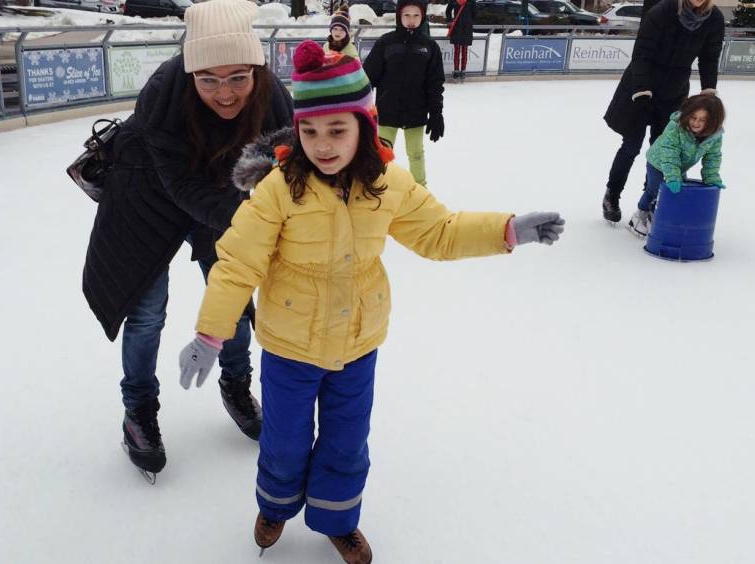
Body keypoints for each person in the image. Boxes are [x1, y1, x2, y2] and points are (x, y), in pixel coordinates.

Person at [176, 41, 565, 564]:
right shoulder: (277, 189)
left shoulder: (387, 184)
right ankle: (275, 505)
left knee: (346, 443)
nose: (323, 144)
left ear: (364, 124)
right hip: (290, 347)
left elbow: (441, 234)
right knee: (285, 441)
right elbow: (237, 264)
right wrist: (210, 334)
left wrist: (507, 231)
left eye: (337, 129)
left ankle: (338, 518)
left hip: (358, 344)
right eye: (310, 131)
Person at [81, 0, 294, 482]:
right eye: (209, 79)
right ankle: (138, 410)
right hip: (147, 196)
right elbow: (181, 187)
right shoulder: (163, 92)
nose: (225, 93)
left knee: (235, 298)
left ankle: (237, 385)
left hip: (224, 192)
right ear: (190, 70)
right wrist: (253, 220)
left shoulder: (274, 96)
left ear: (256, 68)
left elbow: (288, 161)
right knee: (145, 310)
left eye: (238, 77)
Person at [601, 0, 724, 224]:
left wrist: (709, 95)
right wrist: (641, 90)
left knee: (664, 151)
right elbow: (642, 54)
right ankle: (612, 194)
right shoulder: (662, 12)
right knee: (631, 146)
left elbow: (709, 57)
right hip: (641, 87)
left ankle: (649, 202)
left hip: (674, 92)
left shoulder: (713, 19)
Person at [363, 0, 444, 186]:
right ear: (399, 16)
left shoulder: (430, 47)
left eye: (416, 15)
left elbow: (435, 84)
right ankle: (375, 184)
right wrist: (363, 110)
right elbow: (368, 79)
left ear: (422, 17)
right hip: (387, 110)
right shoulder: (386, 43)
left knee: (416, 153)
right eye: (407, 15)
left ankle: (420, 189)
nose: (411, 20)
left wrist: (436, 113)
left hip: (416, 111)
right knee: (381, 152)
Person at [628, 94, 725, 237]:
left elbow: (713, 157)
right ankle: (639, 215)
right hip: (658, 161)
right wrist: (673, 176)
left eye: (702, 120)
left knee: (675, 193)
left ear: (712, 122)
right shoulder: (676, 126)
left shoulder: (714, 136)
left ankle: (655, 215)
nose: (696, 123)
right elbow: (670, 151)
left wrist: (711, 177)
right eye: (693, 117)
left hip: (679, 166)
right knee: (654, 190)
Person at [446, 0, 477, 82]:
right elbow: (474, 13)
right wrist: (468, 21)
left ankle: (459, 71)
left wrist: (450, 20)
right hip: (462, 28)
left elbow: (475, 13)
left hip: (462, 27)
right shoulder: (471, 1)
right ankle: (461, 71)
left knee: (460, 50)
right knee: (462, 50)